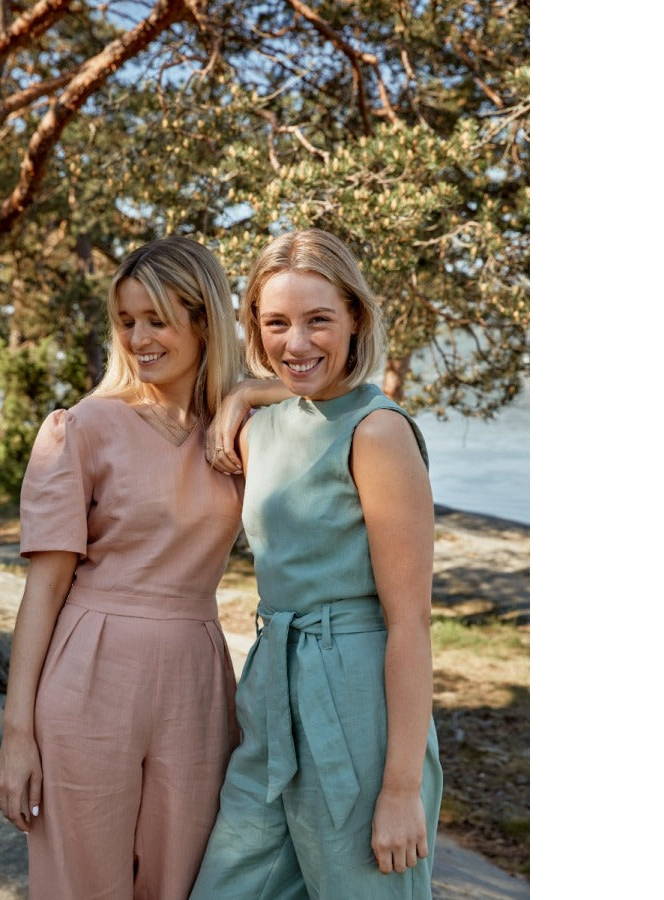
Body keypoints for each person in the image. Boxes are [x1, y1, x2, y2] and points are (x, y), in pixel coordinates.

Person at [0, 235, 250, 899]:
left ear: (203, 321)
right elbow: (43, 591)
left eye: (156, 320)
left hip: (195, 676)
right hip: (89, 671)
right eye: (127, 321)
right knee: (82, 883)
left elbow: (324, 388)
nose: (139, 339)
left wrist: (247, 396)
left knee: (185, 882)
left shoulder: (234, 432)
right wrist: (16, 737)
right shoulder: (83, 427)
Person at [191, 229, 444, 899]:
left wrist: (400, 789)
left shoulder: (379, 432)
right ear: (254, 326)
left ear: (355, 318)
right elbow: (299, 396)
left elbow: (412, 622)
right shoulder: (258, 424)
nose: (296, 343)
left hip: (357, 697)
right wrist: (247, 393)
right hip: (272, 688)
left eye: (318, 320)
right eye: (276, 323)